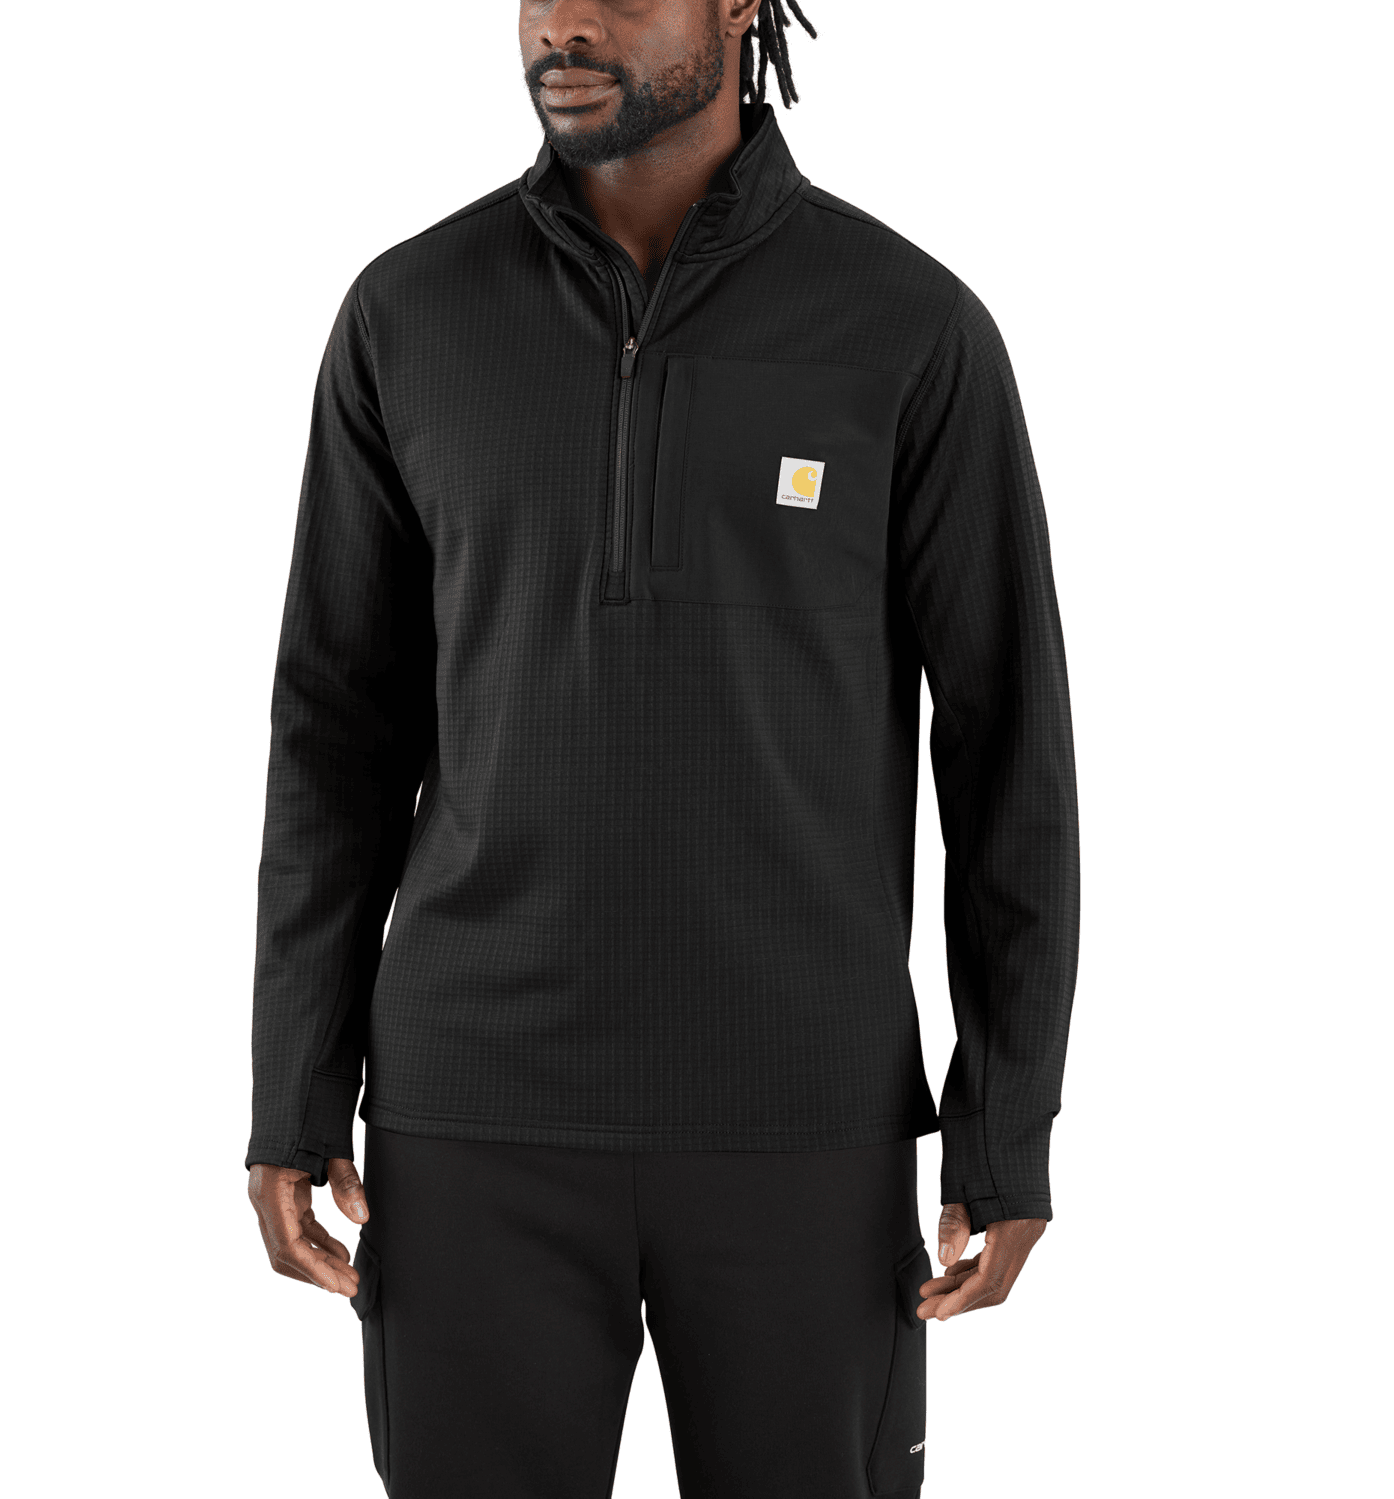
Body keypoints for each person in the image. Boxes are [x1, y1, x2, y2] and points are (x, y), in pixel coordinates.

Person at [246, 1, 1080, 1494]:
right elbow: (335, 734)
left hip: (803, 1126)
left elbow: (1009, 749)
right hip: (471, 1118)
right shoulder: (408, 315)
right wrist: (292, 1090)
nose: (566, 23)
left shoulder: (907, 327)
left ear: (744, 3)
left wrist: (1006, 1122)